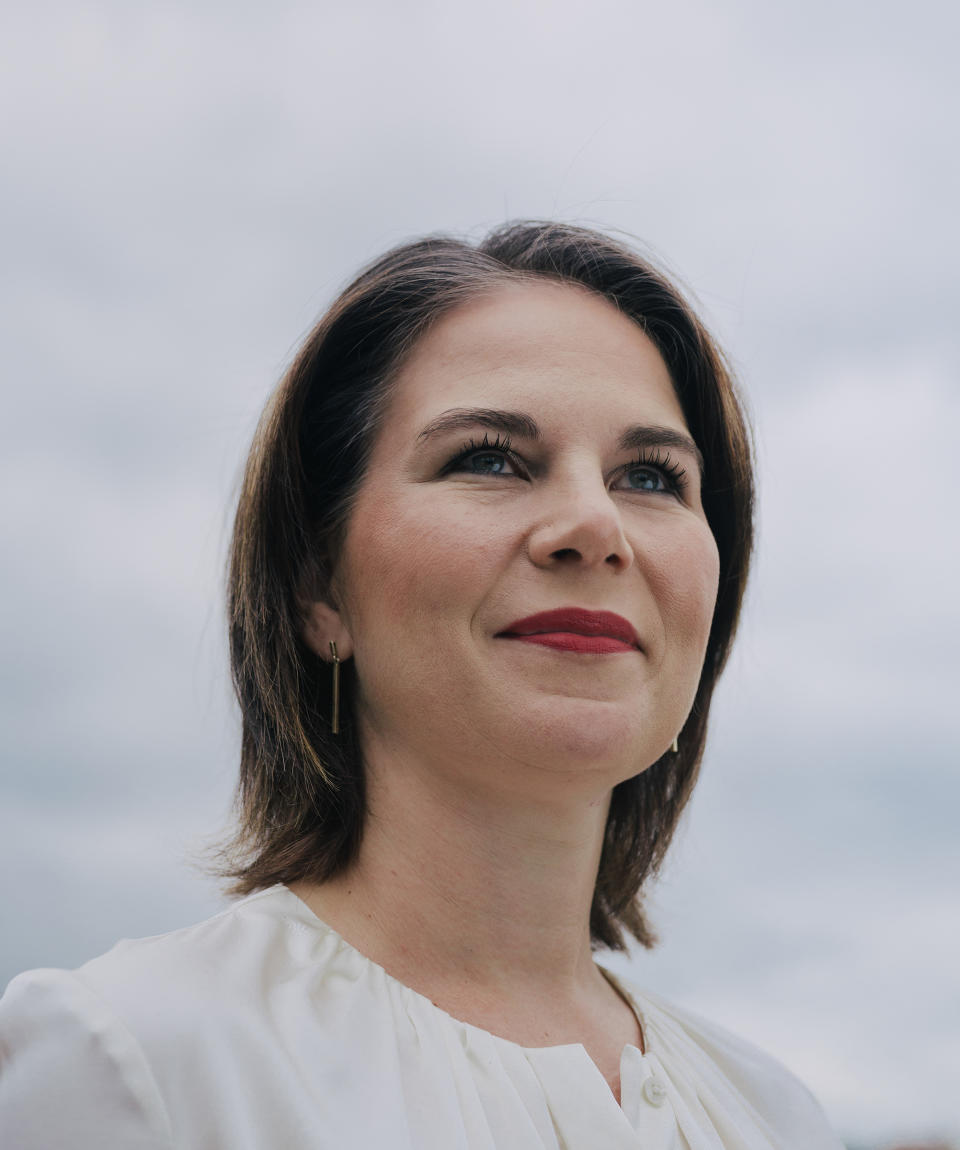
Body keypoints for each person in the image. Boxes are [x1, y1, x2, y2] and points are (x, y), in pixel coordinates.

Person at [0, 222, 845, 1148]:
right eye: (489, 458)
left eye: (651, 476)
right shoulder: (139, 1060)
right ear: (320, 587)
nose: (595, 525)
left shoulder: (775, 1117)